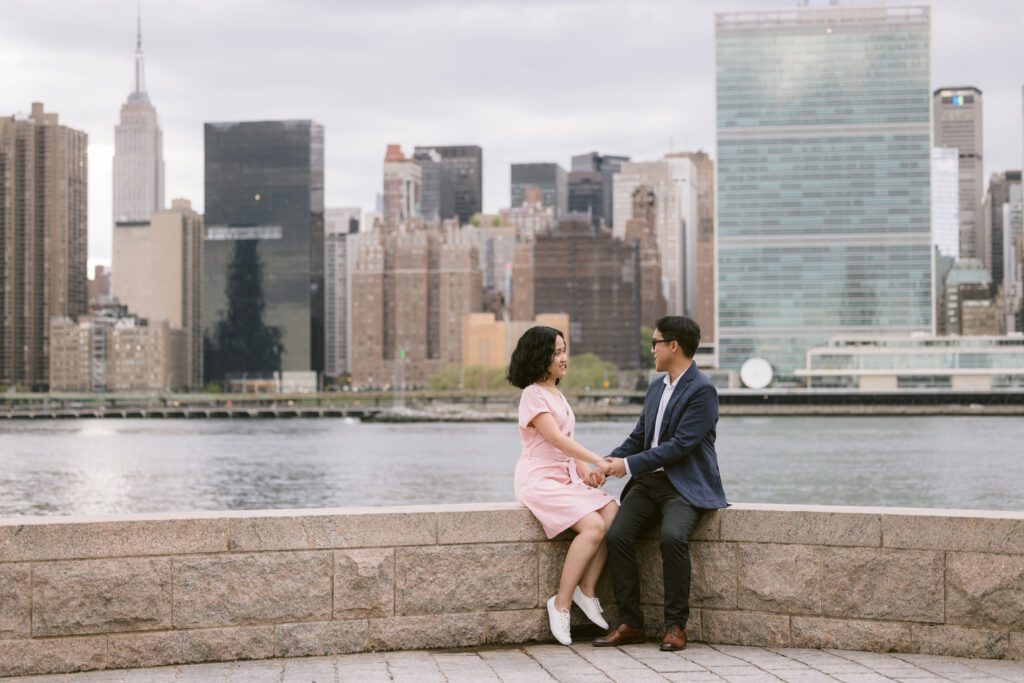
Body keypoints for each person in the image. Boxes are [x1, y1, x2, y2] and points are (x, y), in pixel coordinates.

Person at [593, 316, 727, 652]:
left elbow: (680, 446)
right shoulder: (655, 387)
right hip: (649, 483)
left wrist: (628, 465)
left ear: (673, 345)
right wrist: (605, 465)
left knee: (672, 537)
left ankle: (675, 626)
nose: (650, 349)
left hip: (684, 485)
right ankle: (630, 623)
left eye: (655, 342)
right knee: (617, 535)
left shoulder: (703, 391)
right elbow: (640, 438)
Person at [508, 325, 619, 646]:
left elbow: (565, 443)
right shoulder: (533, 394)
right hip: (539, 479)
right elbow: (554, 438)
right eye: (556, 352)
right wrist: (598, 460)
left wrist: (586, 471)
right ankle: (561, 604)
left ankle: (587, 591)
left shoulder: (556, 393)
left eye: (564, 350)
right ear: (539, 357)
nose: (563, 358)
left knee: (613, 512)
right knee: (593, 527)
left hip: (564, 475)